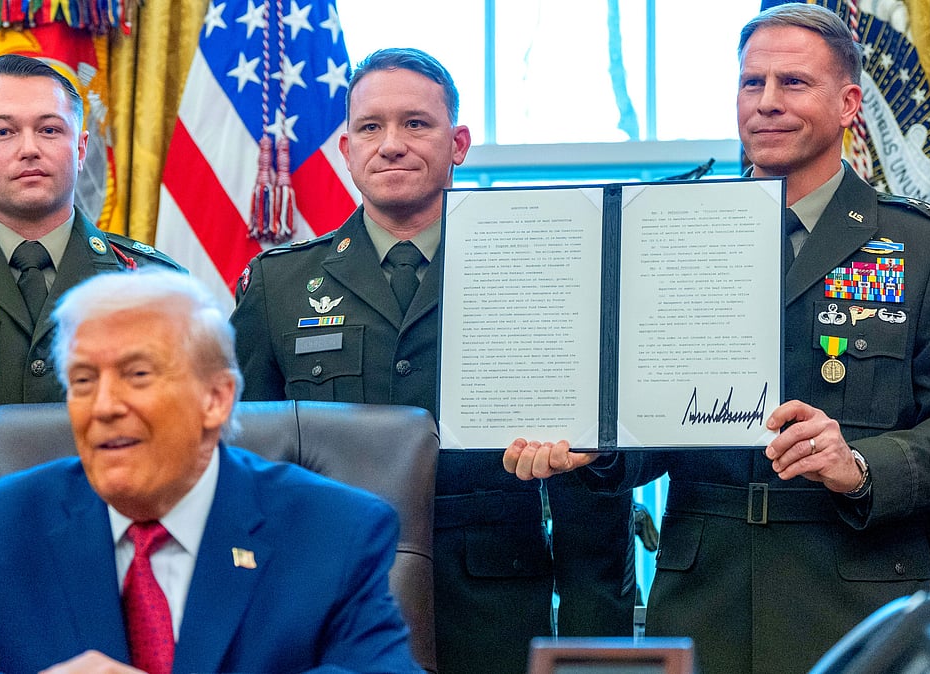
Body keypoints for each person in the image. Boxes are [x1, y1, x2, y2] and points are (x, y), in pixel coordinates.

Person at [503, 4, 930, 673]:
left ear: (851, 102)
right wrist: (597, 446)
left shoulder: (927, 248)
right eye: (752, 83)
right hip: (703, 601)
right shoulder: (676, 234)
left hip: (856, 601)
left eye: (793, 83)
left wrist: (859, 465)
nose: (767, 102)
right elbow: (650, 426)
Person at [230, 47, 636, 673]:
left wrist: (594, 642)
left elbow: (587, 479)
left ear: (459, 142)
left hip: (498, 605)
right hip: (334, 597)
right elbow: (242, 463)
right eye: (371, 127)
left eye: (416, 124)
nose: (391, 144)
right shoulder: (278, 287)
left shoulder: (532, 269)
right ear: (346, 149)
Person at [0, 269, 421, 673]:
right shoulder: (2, 524)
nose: (102, 407)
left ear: (215, 399)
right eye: (81, 381)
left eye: (137, 375)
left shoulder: (334, 531)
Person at [0, 54, 180, 632]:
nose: (30, 147)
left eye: (50, 129)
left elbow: (191, 454)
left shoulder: (153, 284)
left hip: (118, 602)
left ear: (79, 149)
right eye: (3, 131)